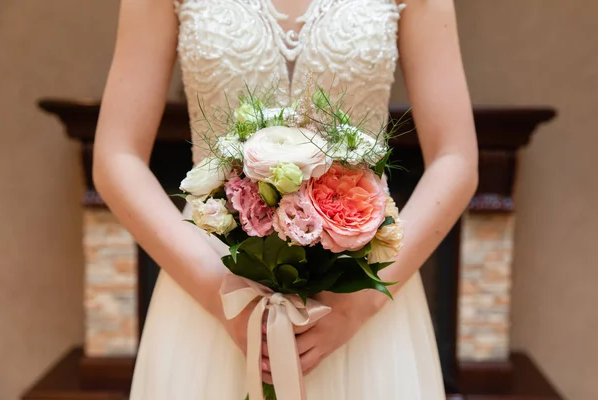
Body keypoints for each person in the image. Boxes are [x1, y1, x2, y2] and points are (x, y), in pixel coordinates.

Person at [93, 0, 478, 398]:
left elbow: (456, 158)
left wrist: (360, 303)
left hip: (361, 284)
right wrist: (221, 295)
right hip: (210, 276)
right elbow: (116, 157)